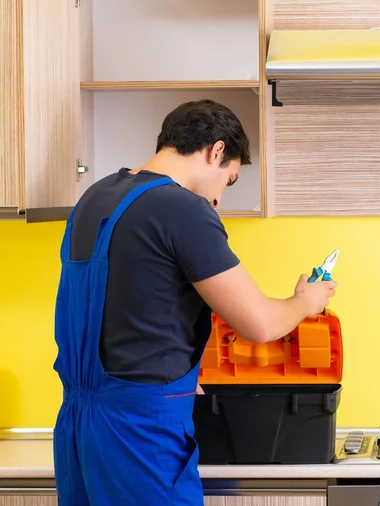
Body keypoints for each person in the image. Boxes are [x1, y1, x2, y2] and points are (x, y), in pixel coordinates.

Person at [52, 99, 337, 506]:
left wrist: (179, 369)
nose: (219, 198)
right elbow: (258, 324)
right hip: (140, 430)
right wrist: (303, 301)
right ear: (215, 151)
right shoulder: (181, 208)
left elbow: (125, 303)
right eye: (229, 179)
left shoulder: (94, 198)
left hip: (79, 424)